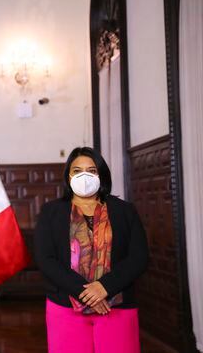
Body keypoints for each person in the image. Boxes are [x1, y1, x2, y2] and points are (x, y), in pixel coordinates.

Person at [34, 146, 149, 353]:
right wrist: (86, 292)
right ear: (68, 176)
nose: (84, 176)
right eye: (77, 171)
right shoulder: (51, 212)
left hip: (117, 306)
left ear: (101, 175)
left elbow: (139, 257)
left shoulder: (125, 211)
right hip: (66, 306)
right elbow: (45, 259)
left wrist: (104, 287)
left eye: (92, 171)